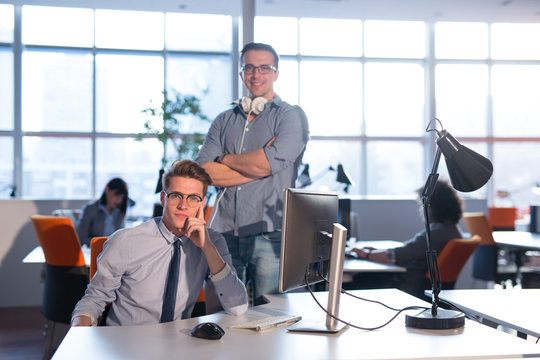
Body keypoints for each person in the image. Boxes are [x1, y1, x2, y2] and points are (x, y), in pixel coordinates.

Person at [196, 42, 309, 305]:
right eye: (249, 67)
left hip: (270, 233)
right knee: (221, 315)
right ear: (241, 73)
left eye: (264, 68)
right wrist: (260, 166)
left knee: (272, 315)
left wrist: (224, 159)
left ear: (276, 73)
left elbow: (266, 165)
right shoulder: (224, 120)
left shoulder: (291, 117)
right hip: (223, 232)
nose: (256, 74)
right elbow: (203, 172)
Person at [71, 160, 248, 326]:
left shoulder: (213, 242)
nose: (183, 206)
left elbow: (238, 307)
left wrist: (207, 248)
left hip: (177, 345)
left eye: (193, 198)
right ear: (163, 199)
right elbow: (94, 299)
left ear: (201, 204)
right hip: (126, 344)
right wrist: (80, 328)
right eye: (176, 196)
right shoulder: (125, 241)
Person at [349, 180, 463, 298]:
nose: (421, 210)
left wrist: (366, 254)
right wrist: (373, 251)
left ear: (433, 207)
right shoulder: (451, 230)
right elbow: (409, 250)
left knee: (354, 281)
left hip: (407, 286)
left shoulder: (435, 234)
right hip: (418, 284)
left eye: (422, 205)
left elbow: (398, 255)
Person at [76, 178, 128, 247]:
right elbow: (81, 239)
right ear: (107, 189)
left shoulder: (118, 212)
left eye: (122, 197)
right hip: (94, 251)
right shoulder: (90, 209)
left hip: (114, 252)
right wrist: (104, 244)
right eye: (116, 195)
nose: (119, 200)